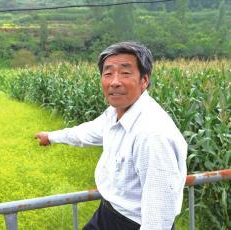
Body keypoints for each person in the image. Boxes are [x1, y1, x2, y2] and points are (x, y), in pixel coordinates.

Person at [35, 42, 187, 230]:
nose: (114, 81)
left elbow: (159, 215)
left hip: (133, 223)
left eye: (125, 73)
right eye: (108, 73)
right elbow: (87, 132)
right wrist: (51, 136)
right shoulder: (115, 113)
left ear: (144, 80)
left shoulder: (152, 135)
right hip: (108, 212)